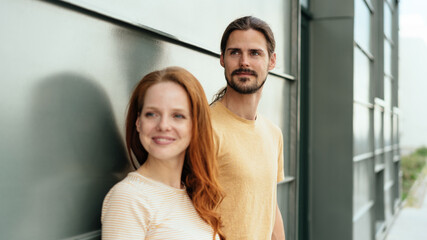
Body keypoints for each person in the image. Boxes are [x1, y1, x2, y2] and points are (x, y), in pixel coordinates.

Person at [101, 66, 225, 240]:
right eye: (151, 114)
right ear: (138, 122)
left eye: (178, 116)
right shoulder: (128, 198)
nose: (163, 125)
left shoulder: (193, 193)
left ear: (195, 125)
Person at [210, 16, 286, 240]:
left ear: (271, 61)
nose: (244, 62)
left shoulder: (273, 133)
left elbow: (269, 204)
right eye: (235, 52)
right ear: (222, 59)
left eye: (255, 53)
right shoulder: (204, 126)